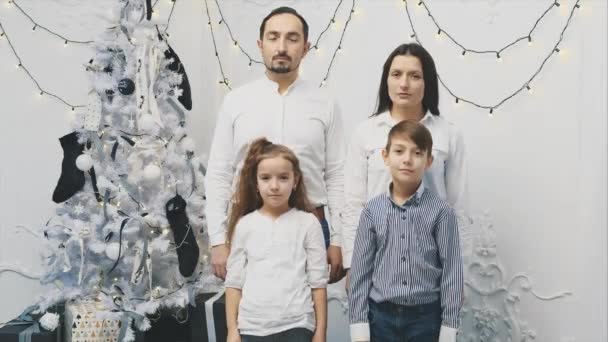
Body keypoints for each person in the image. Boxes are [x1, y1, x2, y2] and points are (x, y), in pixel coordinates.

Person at [205, 6, 345, 283]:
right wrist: (218, 239)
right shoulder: (236, 101)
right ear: (260, 45)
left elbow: (337, 175)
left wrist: (339, 239)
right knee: (249, 316)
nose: (282, 46)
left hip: (311, 225)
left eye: (292, 38)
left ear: (306, 48)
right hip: (246, 222)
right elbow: (219, 172)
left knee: (306, 315)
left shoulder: (325, 102)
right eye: (273, 37)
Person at [342, 42, 468, 274]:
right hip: (376, 258)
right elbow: (353, 204)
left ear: (427, 82)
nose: (404, 84)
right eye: (396, 74)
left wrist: (457, 272)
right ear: (386, 80)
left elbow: (457, 208)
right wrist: (352, 265)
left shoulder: (448, 134)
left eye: (415, 76)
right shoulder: (365, 132)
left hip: (430, 262)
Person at [348, 120, 463, 342]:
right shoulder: (372, 211)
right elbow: (360, 272)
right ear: (385, 156)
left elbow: (452, 272)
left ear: (428, 161)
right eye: (399, 151)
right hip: (379, 316)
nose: (407, 159)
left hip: (426, 318)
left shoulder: (441, 212)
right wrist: (358, 324)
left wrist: (449, 326)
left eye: (417, 153)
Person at [224, 138, 328, 342]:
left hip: (297, 324)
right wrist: (232, 330)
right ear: (255, 182)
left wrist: (321, 332)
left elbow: (318, 283)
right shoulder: (244, 225)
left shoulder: (308, 223)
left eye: (283, 178)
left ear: (295, 180)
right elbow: (234, 283)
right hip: (252, 327)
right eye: (265, 178)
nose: (274, 186)